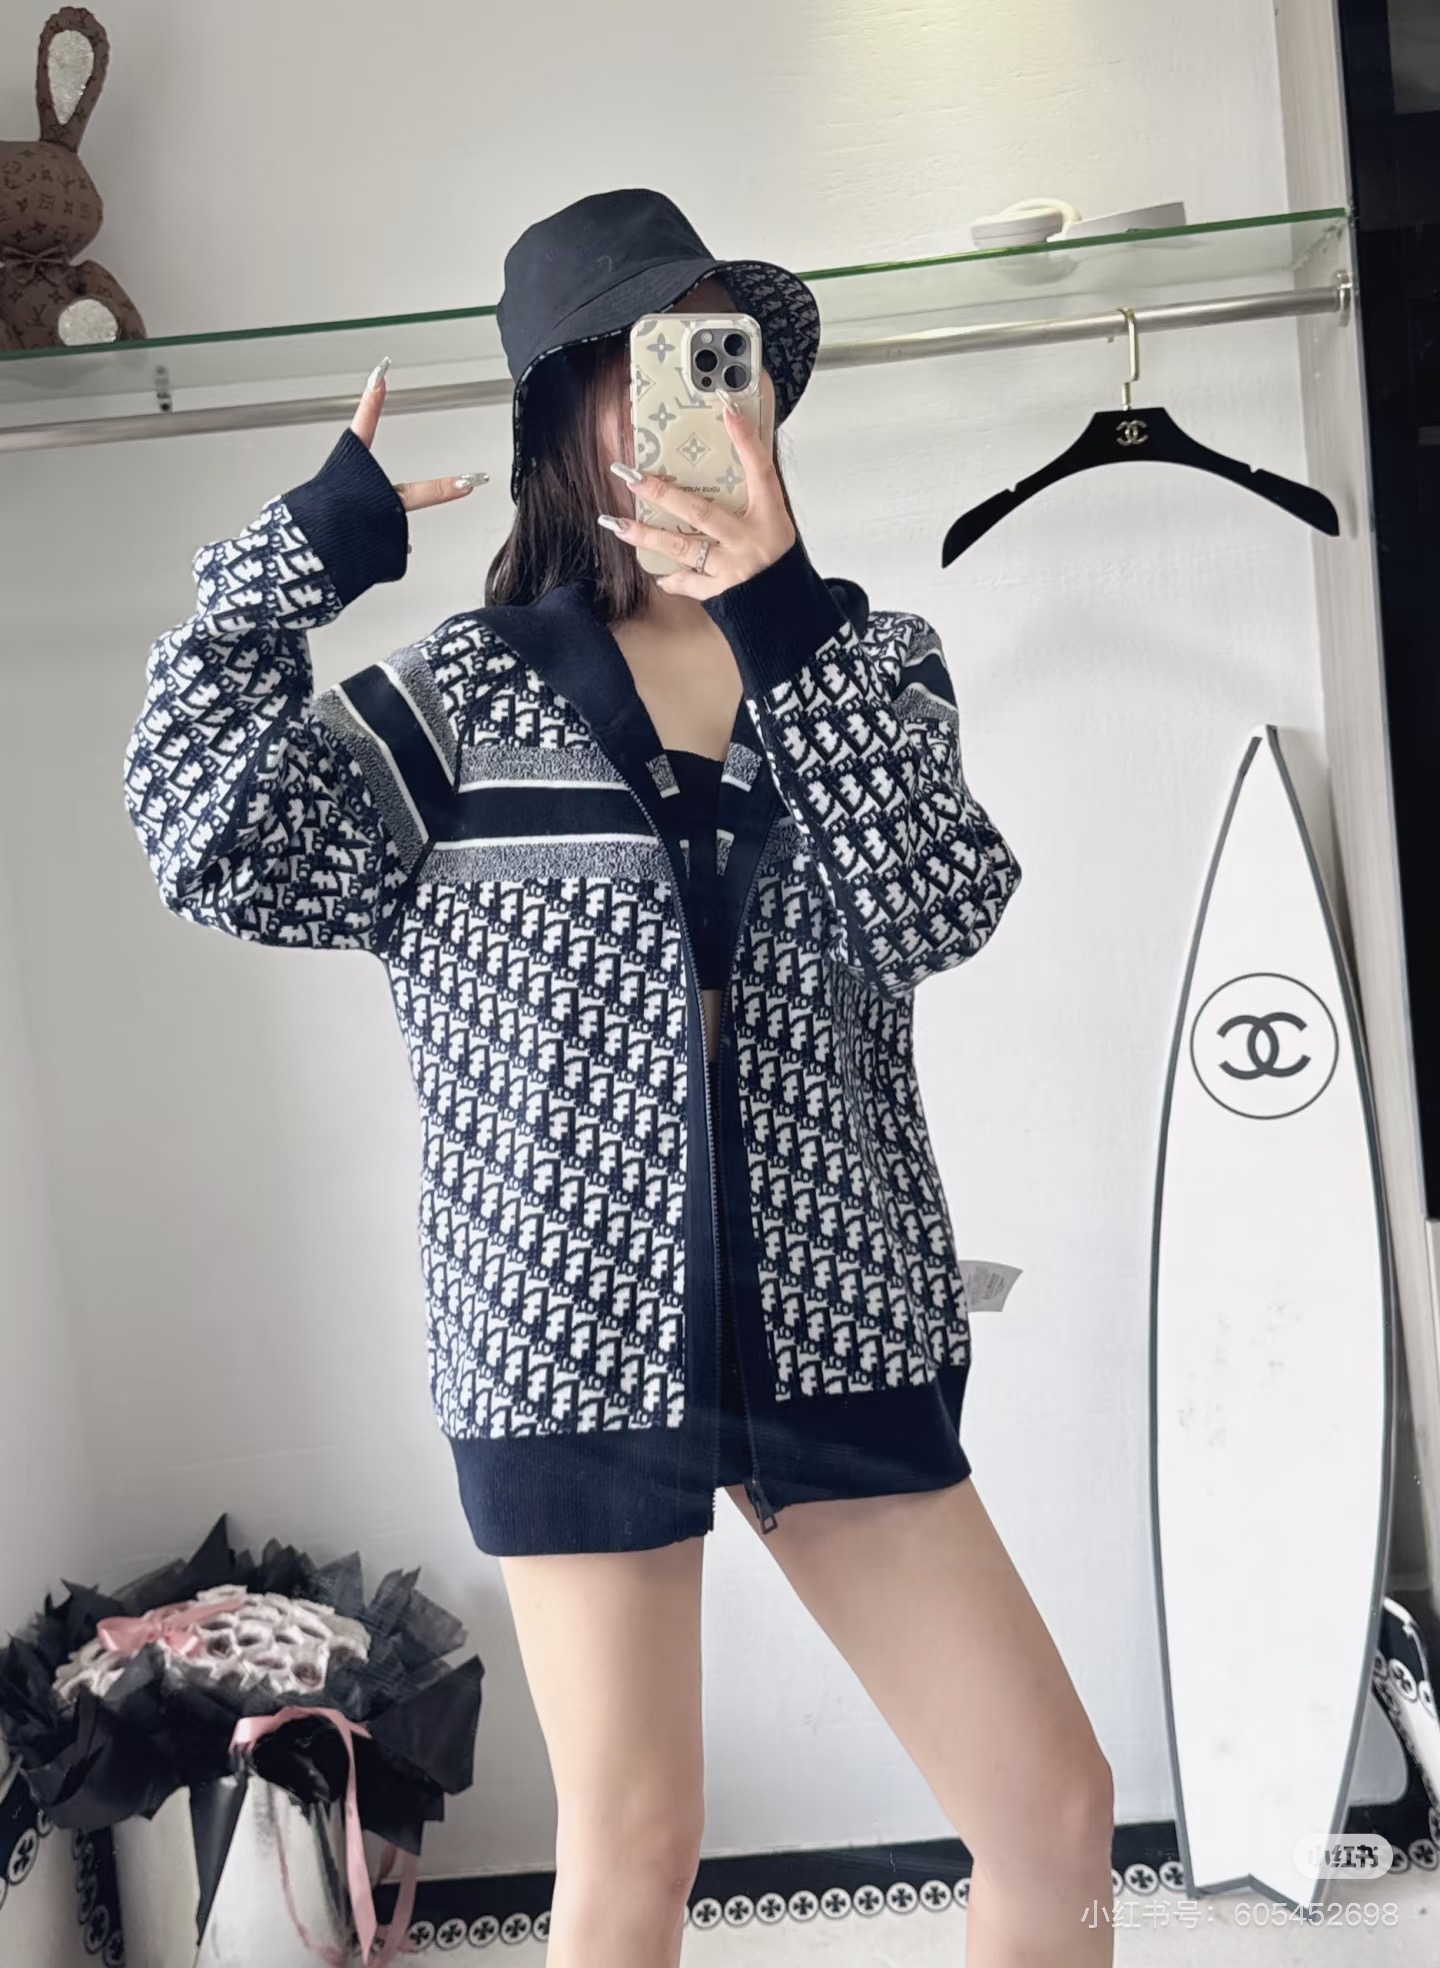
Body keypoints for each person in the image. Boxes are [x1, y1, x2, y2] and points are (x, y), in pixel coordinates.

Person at [123, 187, 1113, 1968]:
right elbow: (204, 839)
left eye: (725, 356)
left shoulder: (864, 661)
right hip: (572, 1335)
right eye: (655, 360)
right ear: (568, 416)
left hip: (838, 1313)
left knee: (1052, 1814)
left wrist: (780, 612)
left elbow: (943, 906)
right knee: (637, 1848)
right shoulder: (455, 706)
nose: (704, 401)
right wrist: (284, 574)